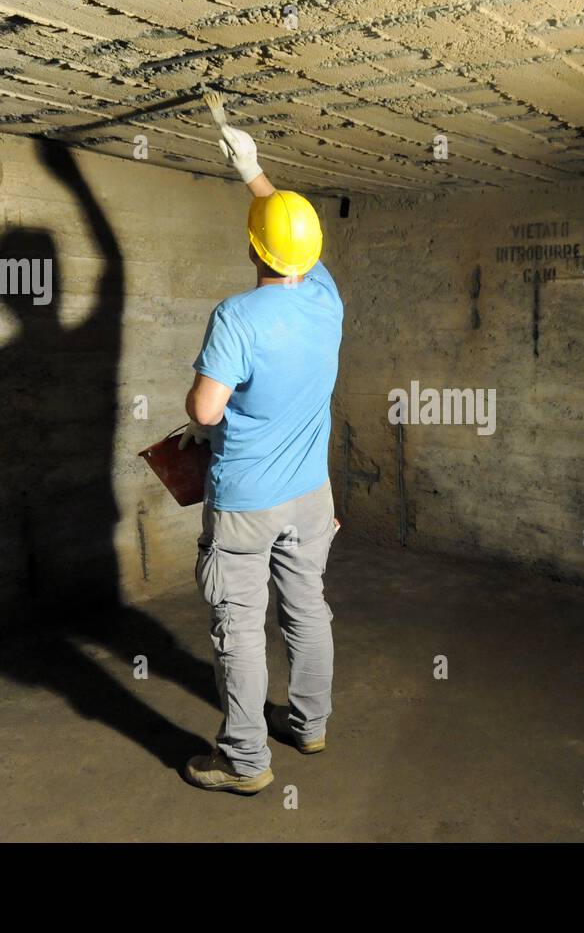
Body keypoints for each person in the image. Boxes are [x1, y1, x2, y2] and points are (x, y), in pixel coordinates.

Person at [181, 91, 344, 794]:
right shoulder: (325, 296)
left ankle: (245, 761)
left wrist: (197, 419)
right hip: (312, 494)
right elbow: (288, 232)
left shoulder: (238, 315)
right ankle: (309, 724)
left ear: (252, 249)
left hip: (247, 501)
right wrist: (254, 169)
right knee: (306, 605)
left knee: (241, 625)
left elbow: (205, 408)